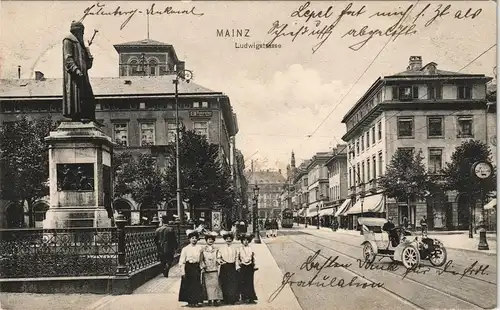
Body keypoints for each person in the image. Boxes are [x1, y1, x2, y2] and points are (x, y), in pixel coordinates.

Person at [62, 21, 96, 123]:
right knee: (76, 98)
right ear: (77, 31)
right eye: (82, 32)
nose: (82, 35)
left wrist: (88, 51)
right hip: (74, 78)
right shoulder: (68, 40)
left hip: (83, 76)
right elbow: (68, 59)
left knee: (89, 98)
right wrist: (76, 70)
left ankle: (90, 118)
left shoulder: (81, 45)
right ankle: (77, 117)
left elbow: (88, 65)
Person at [178, 229, 204, 307]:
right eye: (192, 238)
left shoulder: (200, 248)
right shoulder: (185, 249)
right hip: (188, 267)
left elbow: (201, 259)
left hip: (196, 267)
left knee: (196, 283)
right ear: (189, 239)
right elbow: (182, 261)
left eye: (195, 238)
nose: (194, 240)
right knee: (188, 284)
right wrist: (182, 271)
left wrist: (202, 267)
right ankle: (189, 301)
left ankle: (196, 301)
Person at [200, 231, 223, 306]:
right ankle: (209, 299)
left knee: (215, 284)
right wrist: (203, 266)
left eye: (212, 239)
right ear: (206, 240)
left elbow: (218, 257)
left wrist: (219, 261)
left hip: (214, 268)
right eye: (209, 239)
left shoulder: (216, 249)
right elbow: (201, 260)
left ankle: (216, 299)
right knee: (208, 285)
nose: (210, 241)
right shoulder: (203, 250)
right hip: (207, 269)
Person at [217, 230, 240, 305]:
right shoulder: (222, 248)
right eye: (227, 239)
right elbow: (218, 257)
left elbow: (237, 257)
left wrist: (237, 266)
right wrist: (221, 262)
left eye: (230, 239)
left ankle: (232, 299)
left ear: (232, 240)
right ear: (225, 239)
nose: (228, 240)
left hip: (232, 266)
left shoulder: (235, 248)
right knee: (224, 282)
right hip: (225, 266)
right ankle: (225, 299)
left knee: (232, 282)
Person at [238, 233, 258, 304]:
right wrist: (238, 265)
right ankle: (244, 297)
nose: (245, 242)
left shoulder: (251, 249)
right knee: (243, 281)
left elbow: (254, 257)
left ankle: (251, 297)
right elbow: (238, 258)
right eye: (244, 240)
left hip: (250, 266)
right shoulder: (240, 249)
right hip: (243, 266)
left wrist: (255, 265)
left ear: (249, 241)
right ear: (242, 241)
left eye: (247, 240)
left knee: (250, 282)